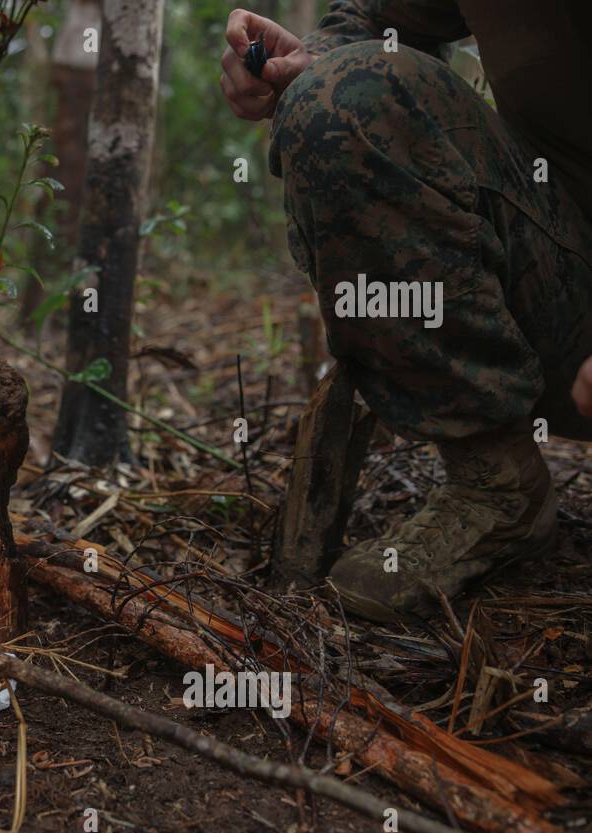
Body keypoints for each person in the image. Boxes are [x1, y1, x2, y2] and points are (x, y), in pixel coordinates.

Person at [220, 2, 592, 622]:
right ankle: (497, 487)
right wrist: (304, 60)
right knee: (341, 96)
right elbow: (380, 15)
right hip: (565, 279)